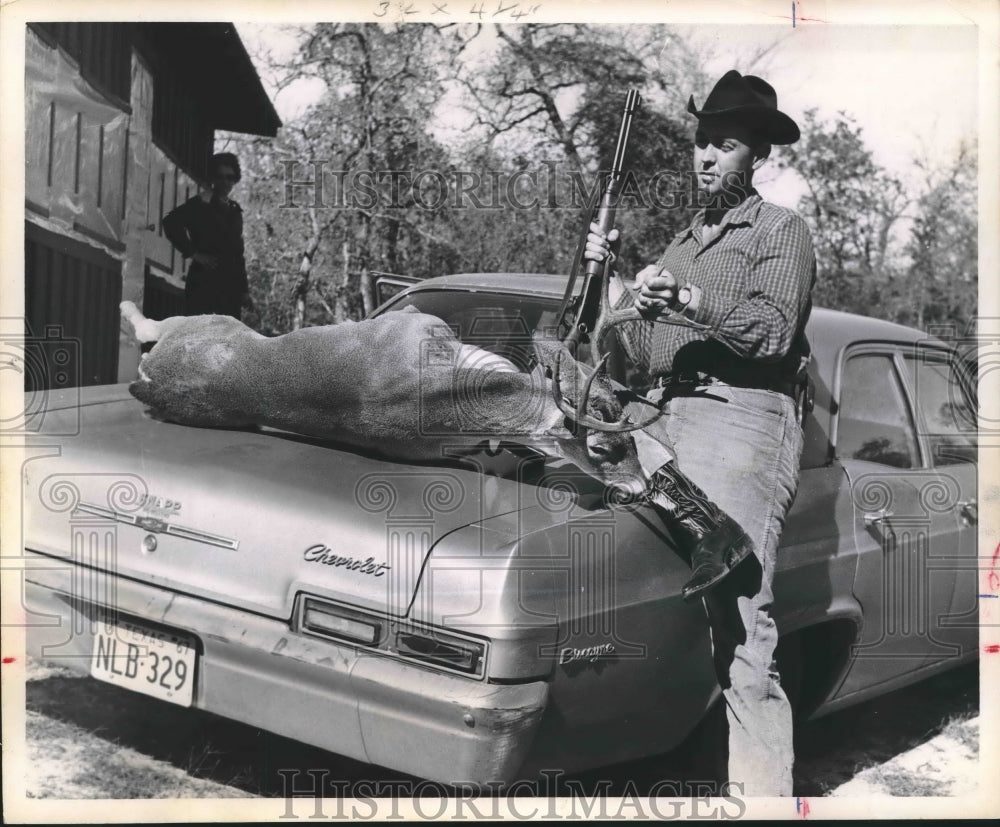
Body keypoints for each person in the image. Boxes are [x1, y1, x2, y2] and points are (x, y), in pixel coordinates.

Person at [585, 70, 816, 796]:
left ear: (758, 155)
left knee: (742, 627)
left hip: (741, 417)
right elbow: (634, 357)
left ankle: (762, 799)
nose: (707, 156)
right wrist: (610, 287)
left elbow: (773, 332)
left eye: (726, 144)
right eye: (702, 142)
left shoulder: (781, 230)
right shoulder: (682, 242)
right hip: (659, 416)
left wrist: (686, 297)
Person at [163, 152, 252, 318]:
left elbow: (238, 254)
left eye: (230, 177)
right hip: (204, 283)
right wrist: (193, 253)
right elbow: (170, 223)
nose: (225, 181)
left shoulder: (235, 211)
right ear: (213, 178)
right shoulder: (200, 204)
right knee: (201, 331)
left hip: (230, 288)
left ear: (235, 179)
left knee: (228, 332)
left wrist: (244, 291)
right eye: (220, 176)